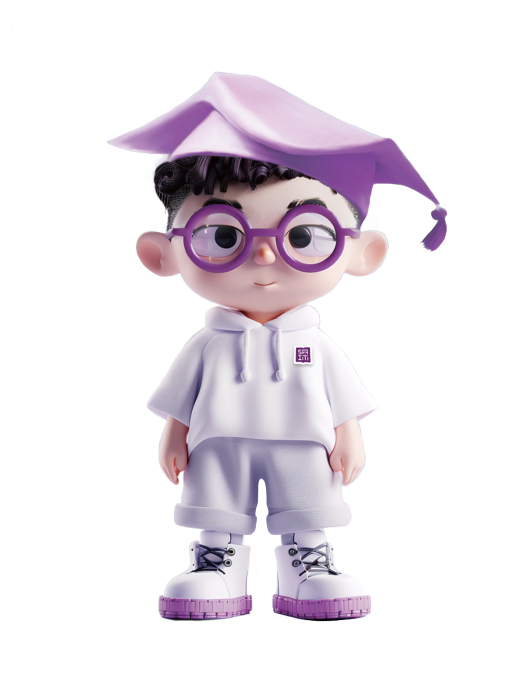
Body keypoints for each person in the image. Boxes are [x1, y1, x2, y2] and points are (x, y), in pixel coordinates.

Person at [107, 72, 448, 621]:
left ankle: (307, 564)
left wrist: (348, 434)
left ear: (362, 253)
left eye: (304, 236)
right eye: (223, 235)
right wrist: (174, 433)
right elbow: (180, 399)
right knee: (216, 504)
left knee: (308, 503)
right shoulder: (207, 345)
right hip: (218, 441)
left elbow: (343, 401)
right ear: (161, 255)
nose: (264, 257)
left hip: (303, 442)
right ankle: (218, 563)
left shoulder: (318, 346)